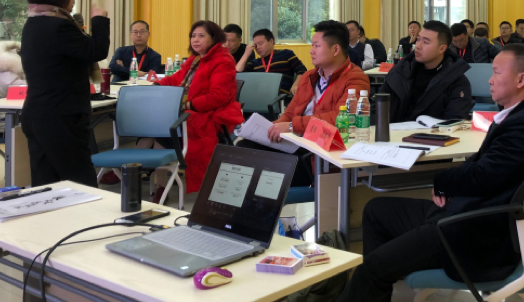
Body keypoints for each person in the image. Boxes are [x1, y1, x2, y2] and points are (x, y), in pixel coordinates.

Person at [335, 44, 524, 302]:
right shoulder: (519, 115)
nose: (490, 80)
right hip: (459, 214)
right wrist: (448, 184)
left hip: (469, 233)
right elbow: (480, 166)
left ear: (521, 79)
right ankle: (383, 280)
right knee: (376, 211)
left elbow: (482, 176)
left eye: (496, 72)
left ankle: (379, 275)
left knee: (371, 268)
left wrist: (442, 181)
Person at [238, 20, 369, 187]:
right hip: (297, 142)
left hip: (317, 151)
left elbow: (340, 118)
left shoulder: (355, 78)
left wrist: (292, 126)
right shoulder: (309, 77)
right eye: (312, 45)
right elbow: (290, 112)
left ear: (335, 49)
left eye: (316, 46)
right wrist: (270, 128)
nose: (311, 51)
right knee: (244, 146)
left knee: (255, 164)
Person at [20, 0, 110, 187]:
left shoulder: (32, 24)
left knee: (46, 184)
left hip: (37, 113)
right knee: (82, 183)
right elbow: (95, 50)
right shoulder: (59, 26)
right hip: (61, 116)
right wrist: (99, 20)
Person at [155, 20, 244, 196]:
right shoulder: (195, 59)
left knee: (158, 129)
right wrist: (156, 86)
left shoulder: (223, 60)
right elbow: (175, 79)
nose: (195, 40)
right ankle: (159, 185)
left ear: (214, 38)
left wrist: (187, 104)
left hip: (208, 115)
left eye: (201, 36)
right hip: (188, 112)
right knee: (151, 128)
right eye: (193, 36)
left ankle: (153, 183)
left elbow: (217, 97)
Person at [381, 21, 473, 122]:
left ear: (442, 48)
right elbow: (378, 107)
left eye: (425, 42)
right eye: (418, 40)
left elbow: (453, 122)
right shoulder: (400, 71)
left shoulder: (457, 81)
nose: (418, 46)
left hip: (433, 131)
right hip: (392, 130)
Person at [236, 29, 307, 95]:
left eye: (260, 43)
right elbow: (237, 74)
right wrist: (246, 54)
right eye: (255, 45)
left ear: (271, 41)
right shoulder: (254, 63)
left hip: (281, 97)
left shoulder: (286, 54)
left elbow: (302, 70)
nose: (258, 47)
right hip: (260, 97)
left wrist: (296, 85)